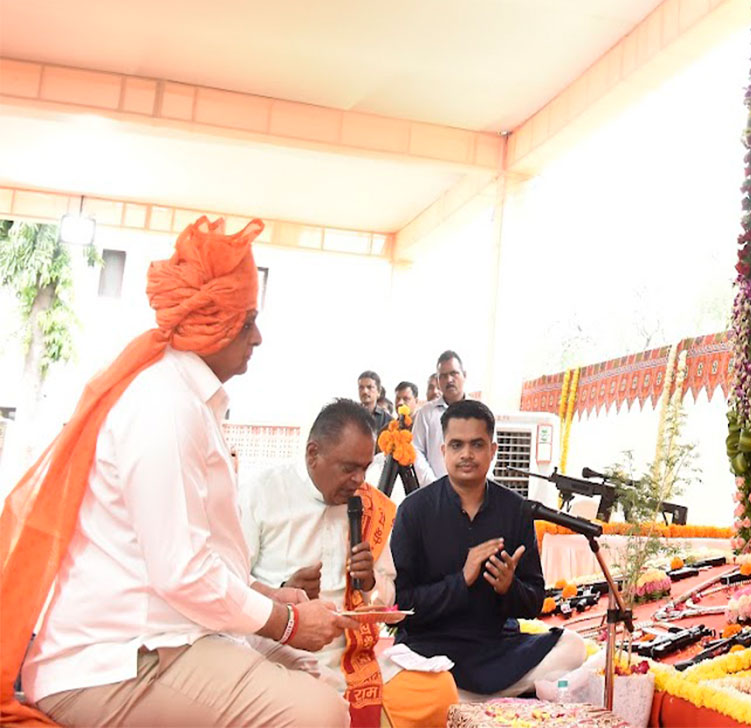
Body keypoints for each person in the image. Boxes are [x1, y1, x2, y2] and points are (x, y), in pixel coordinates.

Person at [0, 216, 353, 726]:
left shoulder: (185, 398)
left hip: (162, 638)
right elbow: (181, 571)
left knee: (306, 672)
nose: (257, 336)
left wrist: (268, 598)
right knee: (318, 714)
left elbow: (185, 562)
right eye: (247, 318)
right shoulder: (165, 405)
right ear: (214, 321)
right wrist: (286, 620)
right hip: (118, 659)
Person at [389, 400, 585, 699]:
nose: (466, 454)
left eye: (476, 445)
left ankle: (463, 698)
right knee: (399, 672)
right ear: (443, 452)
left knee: (572, 646)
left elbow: (533, 601)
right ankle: (489, 696)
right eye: (456, 445)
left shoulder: (515, 509)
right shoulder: (414, 510)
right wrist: (460, 581)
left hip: (493, 646)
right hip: (428, 648)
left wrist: (508, 587)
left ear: (492, 450)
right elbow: (399, 606)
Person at [239, 399, 398, 702]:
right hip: (276, 650)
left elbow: (386, 601)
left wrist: (370, 583)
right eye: (349, 468)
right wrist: (280, 594)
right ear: (313, 454)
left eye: (365, 468)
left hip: (354, 654)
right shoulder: (261, 493)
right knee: (319, 706)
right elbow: (228, 583)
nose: (359, 481)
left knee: (435, 689)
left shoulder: (368, 506)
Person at [411, 351, 468, 482]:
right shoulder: (425, 413)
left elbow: (489, 451)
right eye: (443, 376)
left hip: (473, 492)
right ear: (438, 380)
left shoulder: (480, 411)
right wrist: (432, 484)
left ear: (464, 375)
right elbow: (416, 451)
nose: (449, 380)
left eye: (454, 373)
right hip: (434, 492)